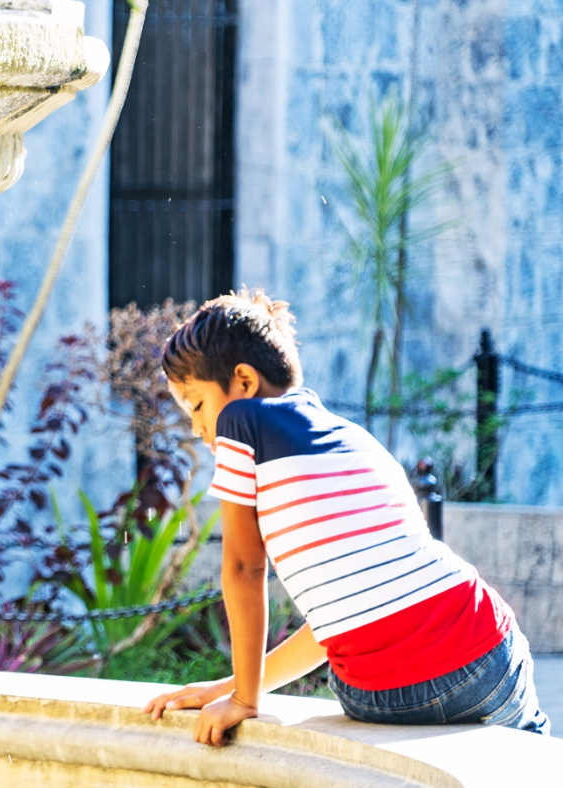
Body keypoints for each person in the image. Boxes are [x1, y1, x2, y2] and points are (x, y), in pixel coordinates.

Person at [141, 290, 550, 746]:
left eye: (196, 406)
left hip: (391, 691)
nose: (198, 430)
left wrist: (244, 701)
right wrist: (232, 686)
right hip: (490, 658)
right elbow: (341, 622)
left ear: (243, 380)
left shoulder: (241, 420)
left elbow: (243, 567)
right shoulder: (352, 438)